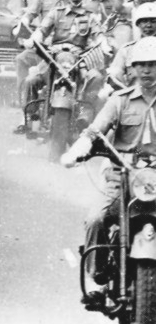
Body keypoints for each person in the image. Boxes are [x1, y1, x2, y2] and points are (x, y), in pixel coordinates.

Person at [62, 37, 156, 302]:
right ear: (132, 69)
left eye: (152, 65)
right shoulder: (120, 100)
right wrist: (79, 148)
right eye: (141, 65)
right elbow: (96, 129)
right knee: (96, 218)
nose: (147, 71)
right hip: (123, 176)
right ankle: (98, 277)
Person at [15, 0, 106, 133]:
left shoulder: (89, 16)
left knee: (95, 77)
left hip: (79, 58)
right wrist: (35, 38)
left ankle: (84, 113)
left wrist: (103, 43)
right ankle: (30, 116)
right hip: (54, 56)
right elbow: (42, 30)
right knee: (31, 80)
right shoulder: (56, 12)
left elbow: (98, 33)